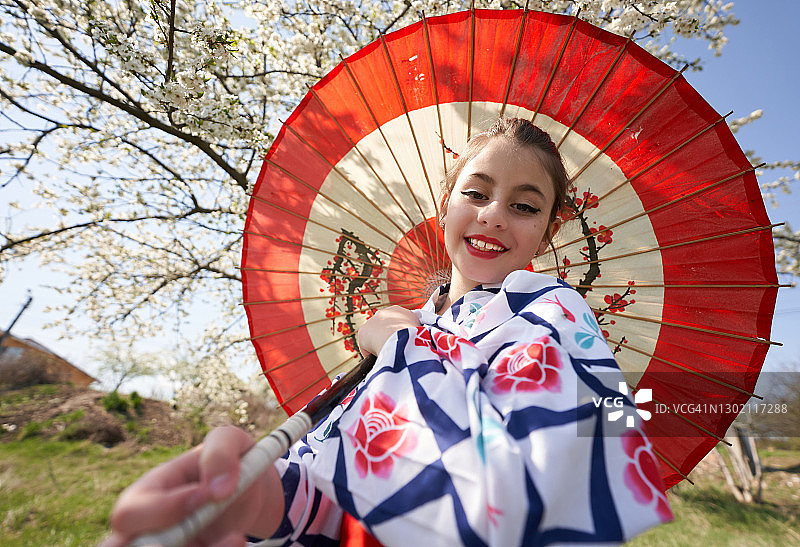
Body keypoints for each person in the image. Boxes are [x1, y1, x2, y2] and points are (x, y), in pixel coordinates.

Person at [102, 118, 672, 547]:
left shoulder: (551, 309)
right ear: (445, 206)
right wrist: (260, 499)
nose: (494, 213)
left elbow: (515, 495)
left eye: (524, 206)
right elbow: (345, 501)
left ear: (546, 234)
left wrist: (401, 347)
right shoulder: (412, 325)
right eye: (476, 193)